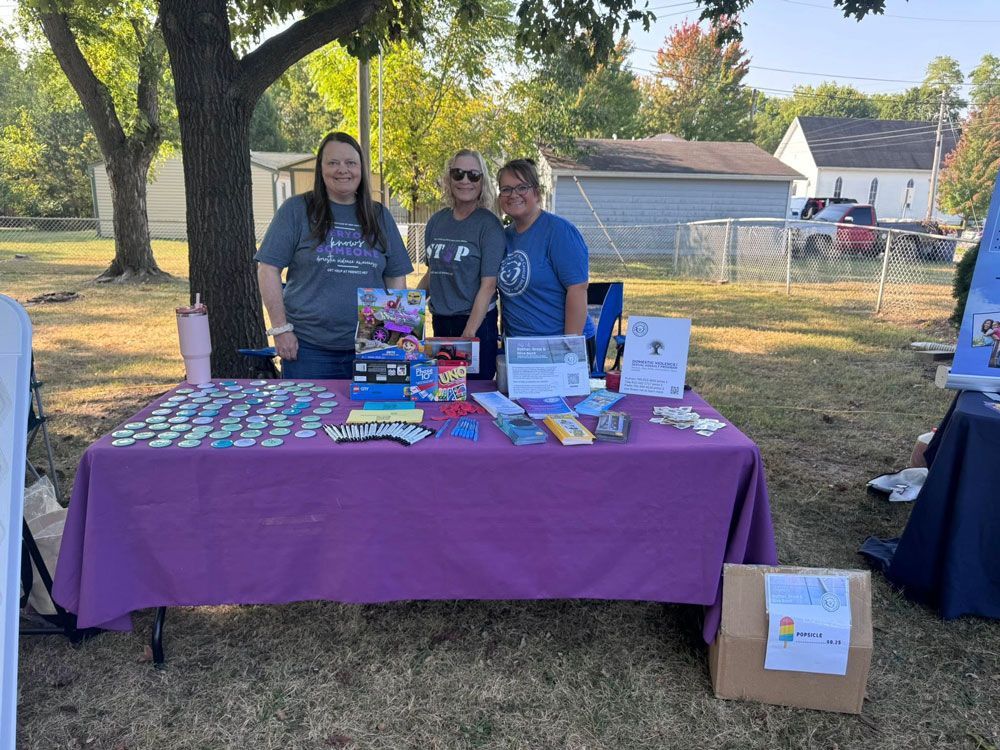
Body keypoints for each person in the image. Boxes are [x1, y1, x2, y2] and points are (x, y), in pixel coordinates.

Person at [255, 132, 412, 379]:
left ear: (361, 169)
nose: (343, 170)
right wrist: (281, 329)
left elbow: (395, 278)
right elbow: (267, 269)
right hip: (308, 349)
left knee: (370, 417)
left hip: (372, 348)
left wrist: (395, 336)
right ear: (321, 168)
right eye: (333, 163)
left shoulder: (379, 216)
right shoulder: (296, 211)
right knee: (308, 417)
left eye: (351, 163)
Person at [495, 158, 595, 362]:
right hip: (521, 349)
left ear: (537, 192)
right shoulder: (503, 237)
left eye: (522, 187)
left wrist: (569, 347)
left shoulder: (559, 231)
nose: (513, 195)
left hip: (561, 346)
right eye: (506, 189)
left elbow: (577, 289)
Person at [418, 149, 505, 380]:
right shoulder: (436, 221)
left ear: (482, 181)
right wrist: (405, 306)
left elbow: (488, 285)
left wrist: (467, 336)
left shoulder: (489, 226)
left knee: (475, 398)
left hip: (475, 325)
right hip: (440, 322)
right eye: (458, 174)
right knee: (444, 392)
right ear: (449, 178)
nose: (465, 180)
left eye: (473, 175)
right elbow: (432, 273)